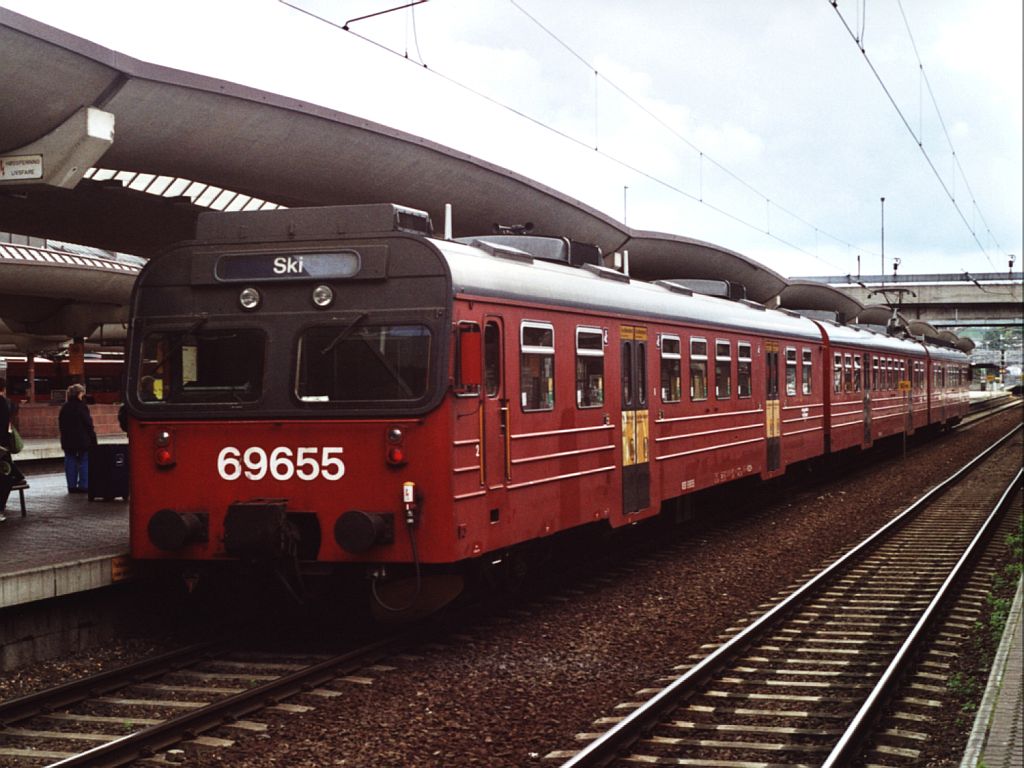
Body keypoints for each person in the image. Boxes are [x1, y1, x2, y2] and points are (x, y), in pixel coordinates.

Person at [58, 383, 97, 494]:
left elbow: (61, 424)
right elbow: (88, 424)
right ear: (79, 394)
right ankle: (84, 485)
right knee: (84, 460)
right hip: (82, 439)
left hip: (67, 439)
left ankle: (71, 486)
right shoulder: (82, 407)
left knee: (70, 460)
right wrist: (93, 437)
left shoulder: (64, 407)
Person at [0, 377, 25, 521]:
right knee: (6, 477)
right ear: (3, 389)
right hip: (2, 447)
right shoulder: (5, 403)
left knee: (8, 474)